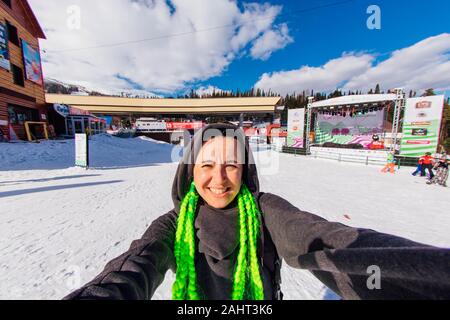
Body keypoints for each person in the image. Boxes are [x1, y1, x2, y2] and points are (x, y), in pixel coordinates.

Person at [64, 123, 450, 300]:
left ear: (245, 169)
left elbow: (322, 237)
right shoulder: (172, 224)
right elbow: (137, 264)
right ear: (191, 170)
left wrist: (426, 276)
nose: (219, 178)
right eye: (207, 166)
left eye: (231, 165)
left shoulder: (265, 211)